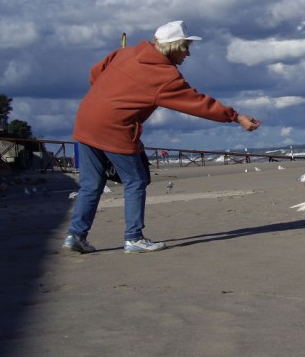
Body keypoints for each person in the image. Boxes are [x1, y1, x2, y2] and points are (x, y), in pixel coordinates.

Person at [63, 20, 261, 254]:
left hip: (86, 119)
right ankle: (134, 238)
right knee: (136, 181)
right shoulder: (164, 76)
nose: (188, 53)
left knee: (91, 184)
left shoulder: (126, 52)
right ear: (173, 46)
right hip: (114, 128)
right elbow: (197, 103)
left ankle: (76, 235)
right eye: (185, 47)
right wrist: (235, 117)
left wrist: (110, 95)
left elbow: (95, 73)